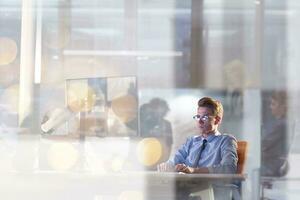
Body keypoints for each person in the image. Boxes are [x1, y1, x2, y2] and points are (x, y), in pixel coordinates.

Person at [157, 97, 238, 199]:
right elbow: (176, 159)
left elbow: (228, 168)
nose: (199, 121)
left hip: (210, 190)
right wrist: (167, 165)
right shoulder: (192, 141)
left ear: (217, 120)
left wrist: (194, 171)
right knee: (158, 189)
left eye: (205, 117)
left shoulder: (226, 140)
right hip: (187, 188)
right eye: (198, 117)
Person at [261, 90, 291, 177]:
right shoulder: (282, 123)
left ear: (283, 107)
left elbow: (264, 143)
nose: (270, 107)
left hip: (271, 166)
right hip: (275, 165)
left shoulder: (281, 124)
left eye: (273, 104)